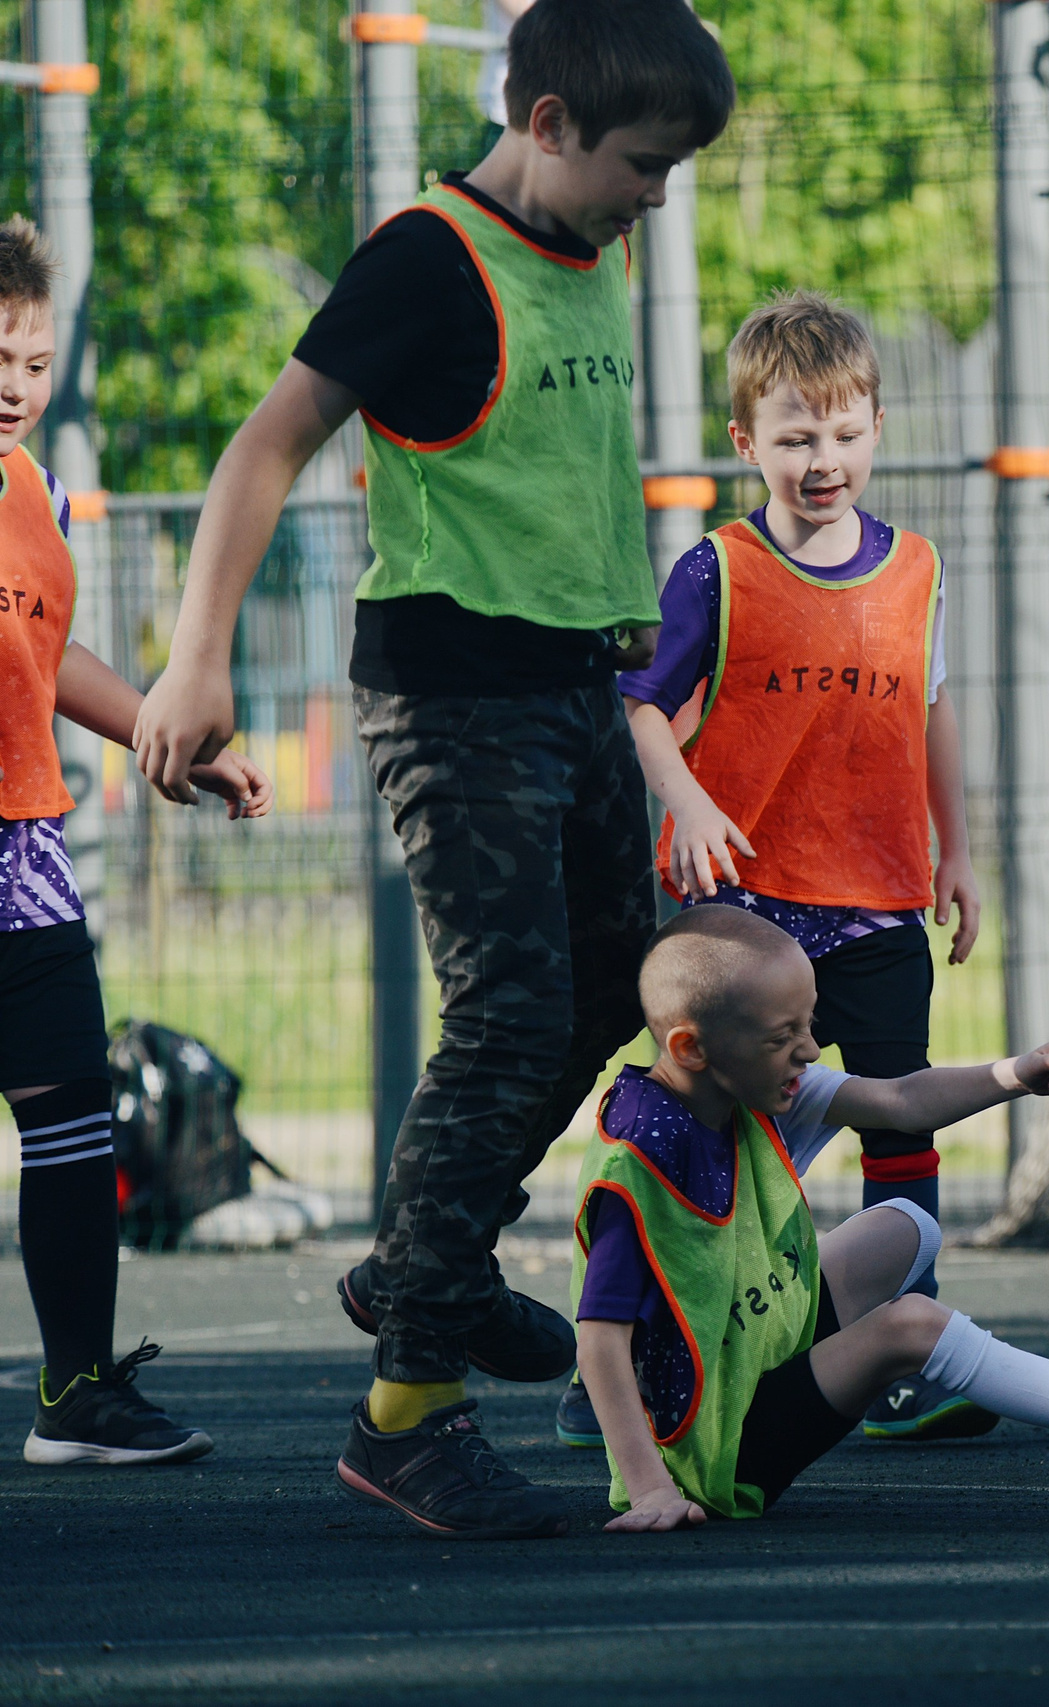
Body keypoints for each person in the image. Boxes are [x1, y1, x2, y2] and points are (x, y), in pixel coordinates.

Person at [129, 0, 736, 1537]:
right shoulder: (426, 259)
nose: (655, 196)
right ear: (542, 127)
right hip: (455, 695)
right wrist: (196, 662)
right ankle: (409, 1409)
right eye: (642, 165)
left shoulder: (588, 242)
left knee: (619, 991)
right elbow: (267, 443)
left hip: (576, 683)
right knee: (510, 1012)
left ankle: (425, 1266)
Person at [594, 288, 986, 1450]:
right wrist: (693, 801)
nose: (825, 460)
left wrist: (955, 850)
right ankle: (642, 1345)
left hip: (877, 901)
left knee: (901, 1119)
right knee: (719, 1135)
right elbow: (643, 710)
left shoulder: (915, 567)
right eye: (796, 437)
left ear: (876, 425)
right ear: (745, 443)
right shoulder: (716, 570)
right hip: (749, 910)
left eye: (846, 433)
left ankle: (891, 1354)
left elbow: (931, 709)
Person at [573, 906, 1049, 1529]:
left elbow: (904, 1101)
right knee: (911, 1322)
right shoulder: (641, 1163)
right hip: (719, 1446)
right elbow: (600, 1341)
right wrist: (651, 1490)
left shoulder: (735, 1079)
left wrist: (1015, 1074)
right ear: (690, 1047)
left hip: (750, 1350)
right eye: (784, 1034)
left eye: (809, 1023)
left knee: (906, 1227)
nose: (811, 1048)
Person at [0, 217, 272, 1467]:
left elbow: (51, 665)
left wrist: (176, 743)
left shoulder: (35, 494)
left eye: (37, 360)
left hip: (25, 850)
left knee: (72, 1116)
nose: (16, 383)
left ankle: (77, 1394)